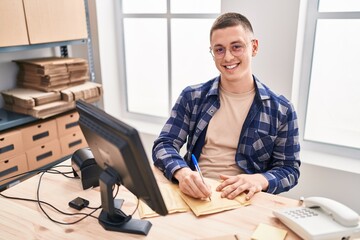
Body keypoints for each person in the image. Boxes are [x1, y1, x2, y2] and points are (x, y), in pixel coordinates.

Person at [152, 12, 300, 201]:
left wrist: (259, 180)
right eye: (219, 50)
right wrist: (182, 173)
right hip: (196, 194)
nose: (227, 57)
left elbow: (289, 170)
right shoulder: (192, 97)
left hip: (245, 200)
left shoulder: (282, 110)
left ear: (254, 47)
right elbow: (164, 144)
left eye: (236, 47)